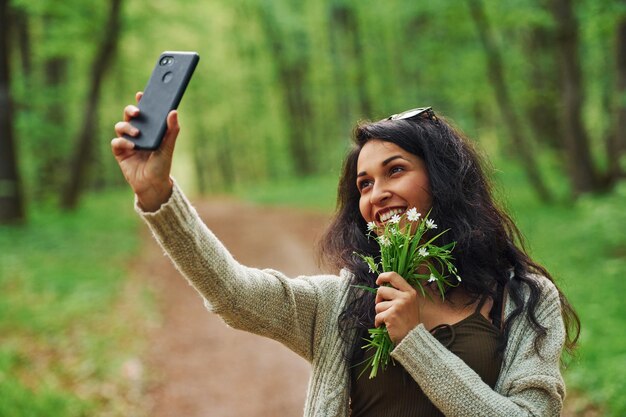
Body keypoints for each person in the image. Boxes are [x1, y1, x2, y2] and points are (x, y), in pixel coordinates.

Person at [112, 98, 580, 416]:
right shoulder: (342, 303)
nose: (377, 194)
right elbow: (233, 293)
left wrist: (414, 340)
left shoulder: (523, 299)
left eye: (394, 170)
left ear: (444, 180)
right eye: (364, 184)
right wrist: (158, 195)